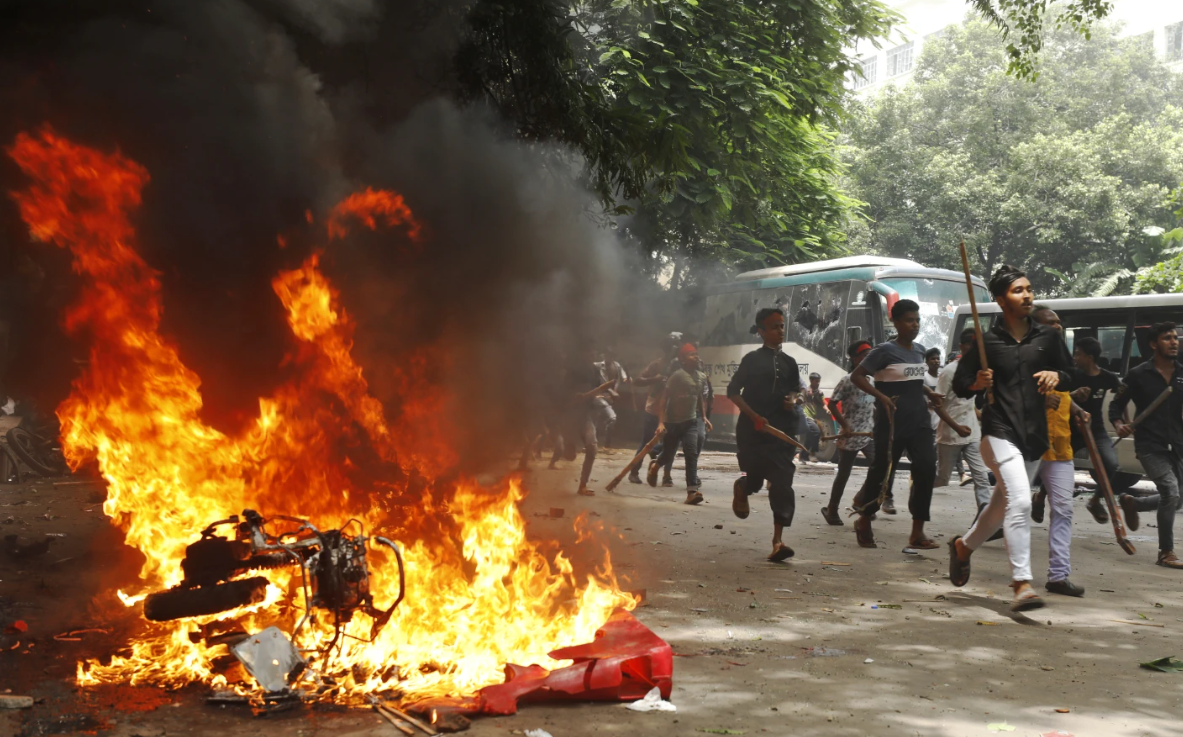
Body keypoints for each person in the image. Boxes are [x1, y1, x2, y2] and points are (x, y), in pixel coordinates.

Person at [947, 265, 1074, 612]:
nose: (1028, 295)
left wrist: (1056, 374)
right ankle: (1022, 583)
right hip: (998, 431)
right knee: (1019, 501)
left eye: (1029, 289)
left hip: (1034, 434)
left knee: (1001, 503)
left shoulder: (1047, 338)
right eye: (1019, 290)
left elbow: (1071, 373)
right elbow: (960, 384)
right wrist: (977, 383)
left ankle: (963, 547)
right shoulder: (985, 343)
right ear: (1001, 300)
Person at [848, 300, 942, 550]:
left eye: (917, 320)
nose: (915, 324)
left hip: (920, 421)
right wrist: (881, 397)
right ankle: (865, 519)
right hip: (891, 422)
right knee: (882, 472)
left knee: (926, 467)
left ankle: (917, 532)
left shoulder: (920, 350)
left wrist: (929, 393)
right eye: (910, 320)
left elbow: (911, 379)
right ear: (897, 322)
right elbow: (856, 376)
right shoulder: (884, 351)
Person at [727, 307, 802, 562]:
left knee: (782, 484)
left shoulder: (790, 363)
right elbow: (733, 391)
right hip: (753, 432)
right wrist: (753, 416)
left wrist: (791, 400)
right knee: (756, 481)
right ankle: (743, 486)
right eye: (774, 327)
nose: (780, 331)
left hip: (781, 433)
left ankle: (778, 541)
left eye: (782, 326)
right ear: (761, 331)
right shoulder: (752, 359)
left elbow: (795, 390)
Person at [1109, 322, 1183, 569]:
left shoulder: (1181, 375)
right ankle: (1166, 552)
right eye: (1167, 338)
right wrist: (1120, 424)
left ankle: (1134, 503)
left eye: (1175, 338)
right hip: (1150, 444)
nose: (1174, 342)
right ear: (1153, 344)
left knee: (1178, 497)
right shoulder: (1138, 374)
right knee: (1171, 492)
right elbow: (1115, 407)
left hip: (1177, 444)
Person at [1029, 306, 1087, 597]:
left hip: (1060, 446)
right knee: (1009, 505)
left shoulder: (1062, 362)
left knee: (1064, 509)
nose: (1059, 328)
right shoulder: (1024, 356)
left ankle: (1058, 576)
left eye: (1060, 323)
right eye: (1051, 323)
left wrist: (1077, 408)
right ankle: (967, 545)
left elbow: (1062, 393)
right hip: (1028, 443)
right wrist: (1039, 402)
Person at [1057, 336, 1130, 524]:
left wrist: (1124, 423)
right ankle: (1040, 497)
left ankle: (1096, 500)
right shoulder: (1071, 375)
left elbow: (1122, 399)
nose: (1075, 358)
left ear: (1089, 357)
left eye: (1078, 354)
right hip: (1070, 429)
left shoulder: (1107, 377)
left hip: (1095, 429)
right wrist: (1074, 395)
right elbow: (1060, 396)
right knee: (1054, 467)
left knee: (1111, 464)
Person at [935, 328, 991, 514]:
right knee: (942, 479)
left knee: (981, 476)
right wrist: (957, 427)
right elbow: (938, 404)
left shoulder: (978, 372)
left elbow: (968, 402)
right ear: (961, 347)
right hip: (950, 434)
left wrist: (984, 417)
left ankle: (985, 515)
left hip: (972, 433)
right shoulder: (949, 372)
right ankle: (920, 487)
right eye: (971, 346)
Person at [649, 344, 713, 504]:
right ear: (683, 360)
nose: (696, 357)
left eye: (696, 354)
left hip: (690, 421)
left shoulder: (701, 376)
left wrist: (704, 417)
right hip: (673, 422)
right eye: (691, 355)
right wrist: (661, 423)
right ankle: (656, 466)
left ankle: (692, 491)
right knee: (669, 453)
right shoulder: (677, 376)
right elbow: (663, 400)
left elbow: (698, 396)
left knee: (691, 454)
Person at [822, 341, 876, 525]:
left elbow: (871, 405)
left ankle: (861, 500)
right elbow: (832, 403)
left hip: (868, 434)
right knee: (843, 474)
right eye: (864, 356)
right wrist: (844, 425)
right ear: (854, 360)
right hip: (851, 435)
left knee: (879, 468)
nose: (869, 359)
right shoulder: (848, 380)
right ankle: (832, 509)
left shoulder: (871, 381)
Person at [628, 334, 680, 484]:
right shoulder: (657, 365)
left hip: (671, 412)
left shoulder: (680, 366)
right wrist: (655, 379)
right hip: (654, 409)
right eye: (674, 347)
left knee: (670, 444)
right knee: (646, 441)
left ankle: (665, 475)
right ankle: (634, 472)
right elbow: (638, 380)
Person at [592, 346, 629, 450]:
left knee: (604, 420)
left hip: (610, 397)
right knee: (598, 420)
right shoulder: (596, 366)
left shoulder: (617, 366)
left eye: (611, 355)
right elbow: (596, 382)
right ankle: (591, 444)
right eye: (606, 354)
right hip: (597, 396)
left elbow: (624, 377)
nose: (608, 357)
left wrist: (627, 379)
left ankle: (605, 445)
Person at [797, 372, 825, 463]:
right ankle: (812, 453)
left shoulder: (819, 393)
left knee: (810, 436)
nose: (818, 383)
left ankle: (803, 456)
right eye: (816, 381)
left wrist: (828, 409)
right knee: (816, 432)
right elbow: (798, 399)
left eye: (819, 381)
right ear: (811, 381)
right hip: (806, 415)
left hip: (813, 416)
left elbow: (824, 403)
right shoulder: (806, 391)